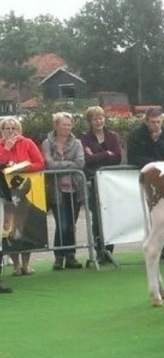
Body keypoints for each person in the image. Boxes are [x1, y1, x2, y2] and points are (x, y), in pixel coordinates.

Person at [127, 107, 164, 260]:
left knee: (163, 215)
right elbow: (133, 158)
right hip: (145, 180)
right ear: (146, 121)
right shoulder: (136, 135)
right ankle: (160, 246)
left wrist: (158, 142)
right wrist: (154, 163)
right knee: (151, 215)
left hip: (162, 180)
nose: (156, 125)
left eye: (158, 122)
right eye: (153, 122)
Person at [0, 116, 45, 275]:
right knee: (10, 227)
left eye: (14, 128)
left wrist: (23, 169)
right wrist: (6, 148)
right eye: (7, 128)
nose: (11, 131)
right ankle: (16, 264)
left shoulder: (28, 143)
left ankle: (26, 264)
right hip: (5, 192)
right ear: (2, 131)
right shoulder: (0, 145)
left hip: (25, 189)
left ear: (19, 130)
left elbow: (40, 163)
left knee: (26, 227)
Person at [42, 112, 86, 270]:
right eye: (64, 124)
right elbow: (49, 164)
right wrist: (69, 164)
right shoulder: (47, 143)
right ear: (56, 125)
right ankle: (59, 257)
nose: (67, 127)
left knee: (71, 224)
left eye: (69, 125)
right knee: (62, 224)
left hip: (74, 189)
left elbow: (80, 163)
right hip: (56, 189)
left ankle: (71, 256)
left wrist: (60, 164)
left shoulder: (78, 143)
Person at [81, 106, 121, 264]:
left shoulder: (112, 136)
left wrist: (96, 154)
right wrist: (106, 154)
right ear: (90, 121)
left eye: (101, 117)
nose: (99, 121)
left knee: (110, 215)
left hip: (110, 182)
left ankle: (109, 249)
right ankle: (99, 250)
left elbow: (117, 157)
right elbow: (87, 159)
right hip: (93, 182)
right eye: (95, 119)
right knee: (97, 216)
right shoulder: (84, 138)